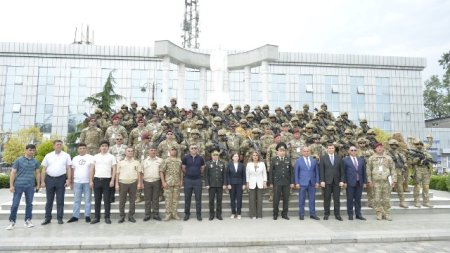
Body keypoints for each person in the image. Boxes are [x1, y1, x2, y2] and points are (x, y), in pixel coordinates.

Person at [6, 144, 41, 230]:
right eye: (30, 150)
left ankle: (28, 220)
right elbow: (13, 173)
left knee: (29, 204)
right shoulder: (18, 160)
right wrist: (11, 185)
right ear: (25, 150)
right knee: (15, 204)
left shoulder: (36, 161)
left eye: (33, 150)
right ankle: (12, 222)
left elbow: (37, 173)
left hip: (30, 186)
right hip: (18, 186)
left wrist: (38, 184)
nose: (32, 152)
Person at [41, 140, 72, 225]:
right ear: (53, 146)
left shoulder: (66, 155)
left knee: (60, 200)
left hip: (61, 179)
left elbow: (69, 168)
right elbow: (43, 169)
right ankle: (47, 218)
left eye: (60, 145)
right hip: (49, 179)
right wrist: (42, 181)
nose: (59, 146)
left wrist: (69, 180)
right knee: (49, 200)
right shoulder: (48, 155)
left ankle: (60, 218)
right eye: (57, 144)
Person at [367, 143, 396, 221]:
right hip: (376, 181)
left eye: (381, 147)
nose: (379, 148)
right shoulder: (371, 158)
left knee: (386, 199)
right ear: (375, 149)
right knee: (377, 199)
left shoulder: (388, 158)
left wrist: (393, 180)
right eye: (378, 147)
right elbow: (368, 170)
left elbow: (392, 169)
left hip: (386, 181)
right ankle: (379, 213)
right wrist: (369, 180)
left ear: (383, 148)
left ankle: (386, 214)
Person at [90, 140, 117, 224]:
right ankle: (96, 217)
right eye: (102, 146)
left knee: (107, 200)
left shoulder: (111, 157)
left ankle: (107, 217)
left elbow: (114, 169)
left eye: (106, 146)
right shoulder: (95, 157)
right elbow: (92, 169)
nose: (104, 147)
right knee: (97, 200)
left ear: (108, 147)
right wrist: (91, 180)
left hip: (107, 181)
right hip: (97, 180)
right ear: (100, 147)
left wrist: (112, 180)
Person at [68, 143, 94, 223]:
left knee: (88, 200)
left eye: (83, 148)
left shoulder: (91, 157)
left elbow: (92, 170)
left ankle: (87, 216)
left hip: (87, 182)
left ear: (86, 149)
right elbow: (72, 170)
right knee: (76, 200)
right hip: (77, 182)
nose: (82, 150)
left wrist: (91, 181)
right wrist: (71, 182)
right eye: (80, 148)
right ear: (78, 149)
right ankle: (75, 216)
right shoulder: (75, 158)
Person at [116, 148, 142, 223]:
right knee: (122, 201)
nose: (130, 152)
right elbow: (117, 173)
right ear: (125, 152)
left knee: (132, 201)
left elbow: (139, 174)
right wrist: (117, 184)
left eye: (132, 151)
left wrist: (139, 183)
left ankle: (131, 216)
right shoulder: (120, 162)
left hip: (133, 183)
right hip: (122, 183)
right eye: (129, 151)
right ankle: (122, 216)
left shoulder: (137, 162)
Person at [269, 143, 294, 220]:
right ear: (277, 151)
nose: (282, 152)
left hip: (286, 182)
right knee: (276, 199)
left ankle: (284, 214)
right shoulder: (273, 160)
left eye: (283, 150)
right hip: (277, 182)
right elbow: (271, 172)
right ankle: (275, 214)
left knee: (286, 199)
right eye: (280, 150)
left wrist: (292, 182)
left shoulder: (288, 159)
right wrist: (271, 182)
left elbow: (291, 172)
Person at [319, 143, 344, 221]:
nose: (331, 149)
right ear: (327, 149)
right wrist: (322, 180)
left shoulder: (339, 158)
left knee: (337, 199)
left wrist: (342, 181)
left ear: (334, 149)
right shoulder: (323, 158)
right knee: (327, 199)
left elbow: (342, 171)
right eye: (329, 148)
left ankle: (337, 214)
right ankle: (326, 214)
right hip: (327, 182)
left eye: (332, 148)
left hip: (337, 182)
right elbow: (321, 170)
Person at [294, 147, 320, 220]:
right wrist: (297, 183)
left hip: (312, 183)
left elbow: (317, 172)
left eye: (308, 151)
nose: (306, 152)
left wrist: (317, 181)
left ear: (310, 152)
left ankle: (312, 214)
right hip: (302, 183)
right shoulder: (298, 161)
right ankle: (301, 214)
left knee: (312, 199)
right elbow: (296, 173)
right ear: (302, 152)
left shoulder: (314, 161)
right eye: (305, 151)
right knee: (301, 199)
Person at [181, 144, 205, 221]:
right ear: (189, 149)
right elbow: (183, 167)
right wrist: (188, 173)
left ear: (197, 149)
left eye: (195, 148)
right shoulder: (185, 158)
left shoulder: (200, 158)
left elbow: (202, 167)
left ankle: (199, 215)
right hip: (188, 180)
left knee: (198, 199)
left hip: (197, 180)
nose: (194, 149)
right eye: (192, 148)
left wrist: (198, 173)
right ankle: (187, 214)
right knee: (187, 198)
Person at [343, 146, 367, 220]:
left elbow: (364, 172)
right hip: (350, 183)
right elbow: (343, 172)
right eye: (352, 150)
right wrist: (344, 182)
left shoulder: (361, 160)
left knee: (358, 199)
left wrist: (365, 182)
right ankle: (350, 214)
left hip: (359, 182)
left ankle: (358, 214)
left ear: (357, 151)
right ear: (349, 151)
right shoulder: (345, 160)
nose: (353, 151)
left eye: (355, 150)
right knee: (350, 199)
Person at [160, 146, 183, 221]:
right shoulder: (166, 160)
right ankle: (168, 214)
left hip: (176, 183)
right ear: (169, 151)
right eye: (172, 150)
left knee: (175, 200)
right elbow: (161, 171)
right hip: (168, 183)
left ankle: (174, 214)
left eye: (175, 150)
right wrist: (163, 182)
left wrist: (181, 181)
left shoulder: (179, 160)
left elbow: (181, 172)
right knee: (168, 200)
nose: (173, 151)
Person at [141, 145, 163, 221]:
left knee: (155, 199)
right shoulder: (144, 161)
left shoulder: (160, 160)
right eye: (151, 150)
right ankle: (147, 214)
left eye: (154, 150)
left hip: (157, 181)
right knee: (147, 199)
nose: (153, 151)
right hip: (147, 181)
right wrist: (141, 183)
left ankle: (156, 214)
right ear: (148, 151)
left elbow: (162, 172)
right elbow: (141, 173)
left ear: (156, 151)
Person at [205, 150, 227, 220]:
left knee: (219, 200)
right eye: (214, 155)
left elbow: (224, 175)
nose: (215, 156)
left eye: (216, 155)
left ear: (218, 156)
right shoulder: (208, 163)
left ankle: (219, 214)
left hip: (220, 185)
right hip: (211, 185)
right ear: (212, 156)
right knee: (211, 201)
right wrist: (207, 184)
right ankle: (211, 214)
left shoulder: (222, 163)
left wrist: (224, 184)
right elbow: (206, 175)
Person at [246, 151, 267, 219]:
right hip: (251, 183)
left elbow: (264, 173)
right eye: (254, 155)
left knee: (260, 200)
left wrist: (264, 182)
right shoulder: (249, 164)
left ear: (258, 157)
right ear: (252, 156)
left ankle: (259, 215)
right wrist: (247, 183)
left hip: (260, 183)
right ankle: (253, 215)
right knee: (252, 200)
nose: (255, 157)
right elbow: (247, 174)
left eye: (256, 155)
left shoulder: (262, 164)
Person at [226, 152, 246, 219]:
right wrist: (228, 184)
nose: (236, 157)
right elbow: (227, 175)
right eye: (235, 156)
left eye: (237, 156)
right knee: (232, 199)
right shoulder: (229, 165)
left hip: (240, 184)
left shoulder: (242, 165)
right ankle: (233, 213)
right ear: (232, 157)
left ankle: (239, 213)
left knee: (239, 199)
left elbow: (244, 175)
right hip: (231, 184)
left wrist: (244, 184)